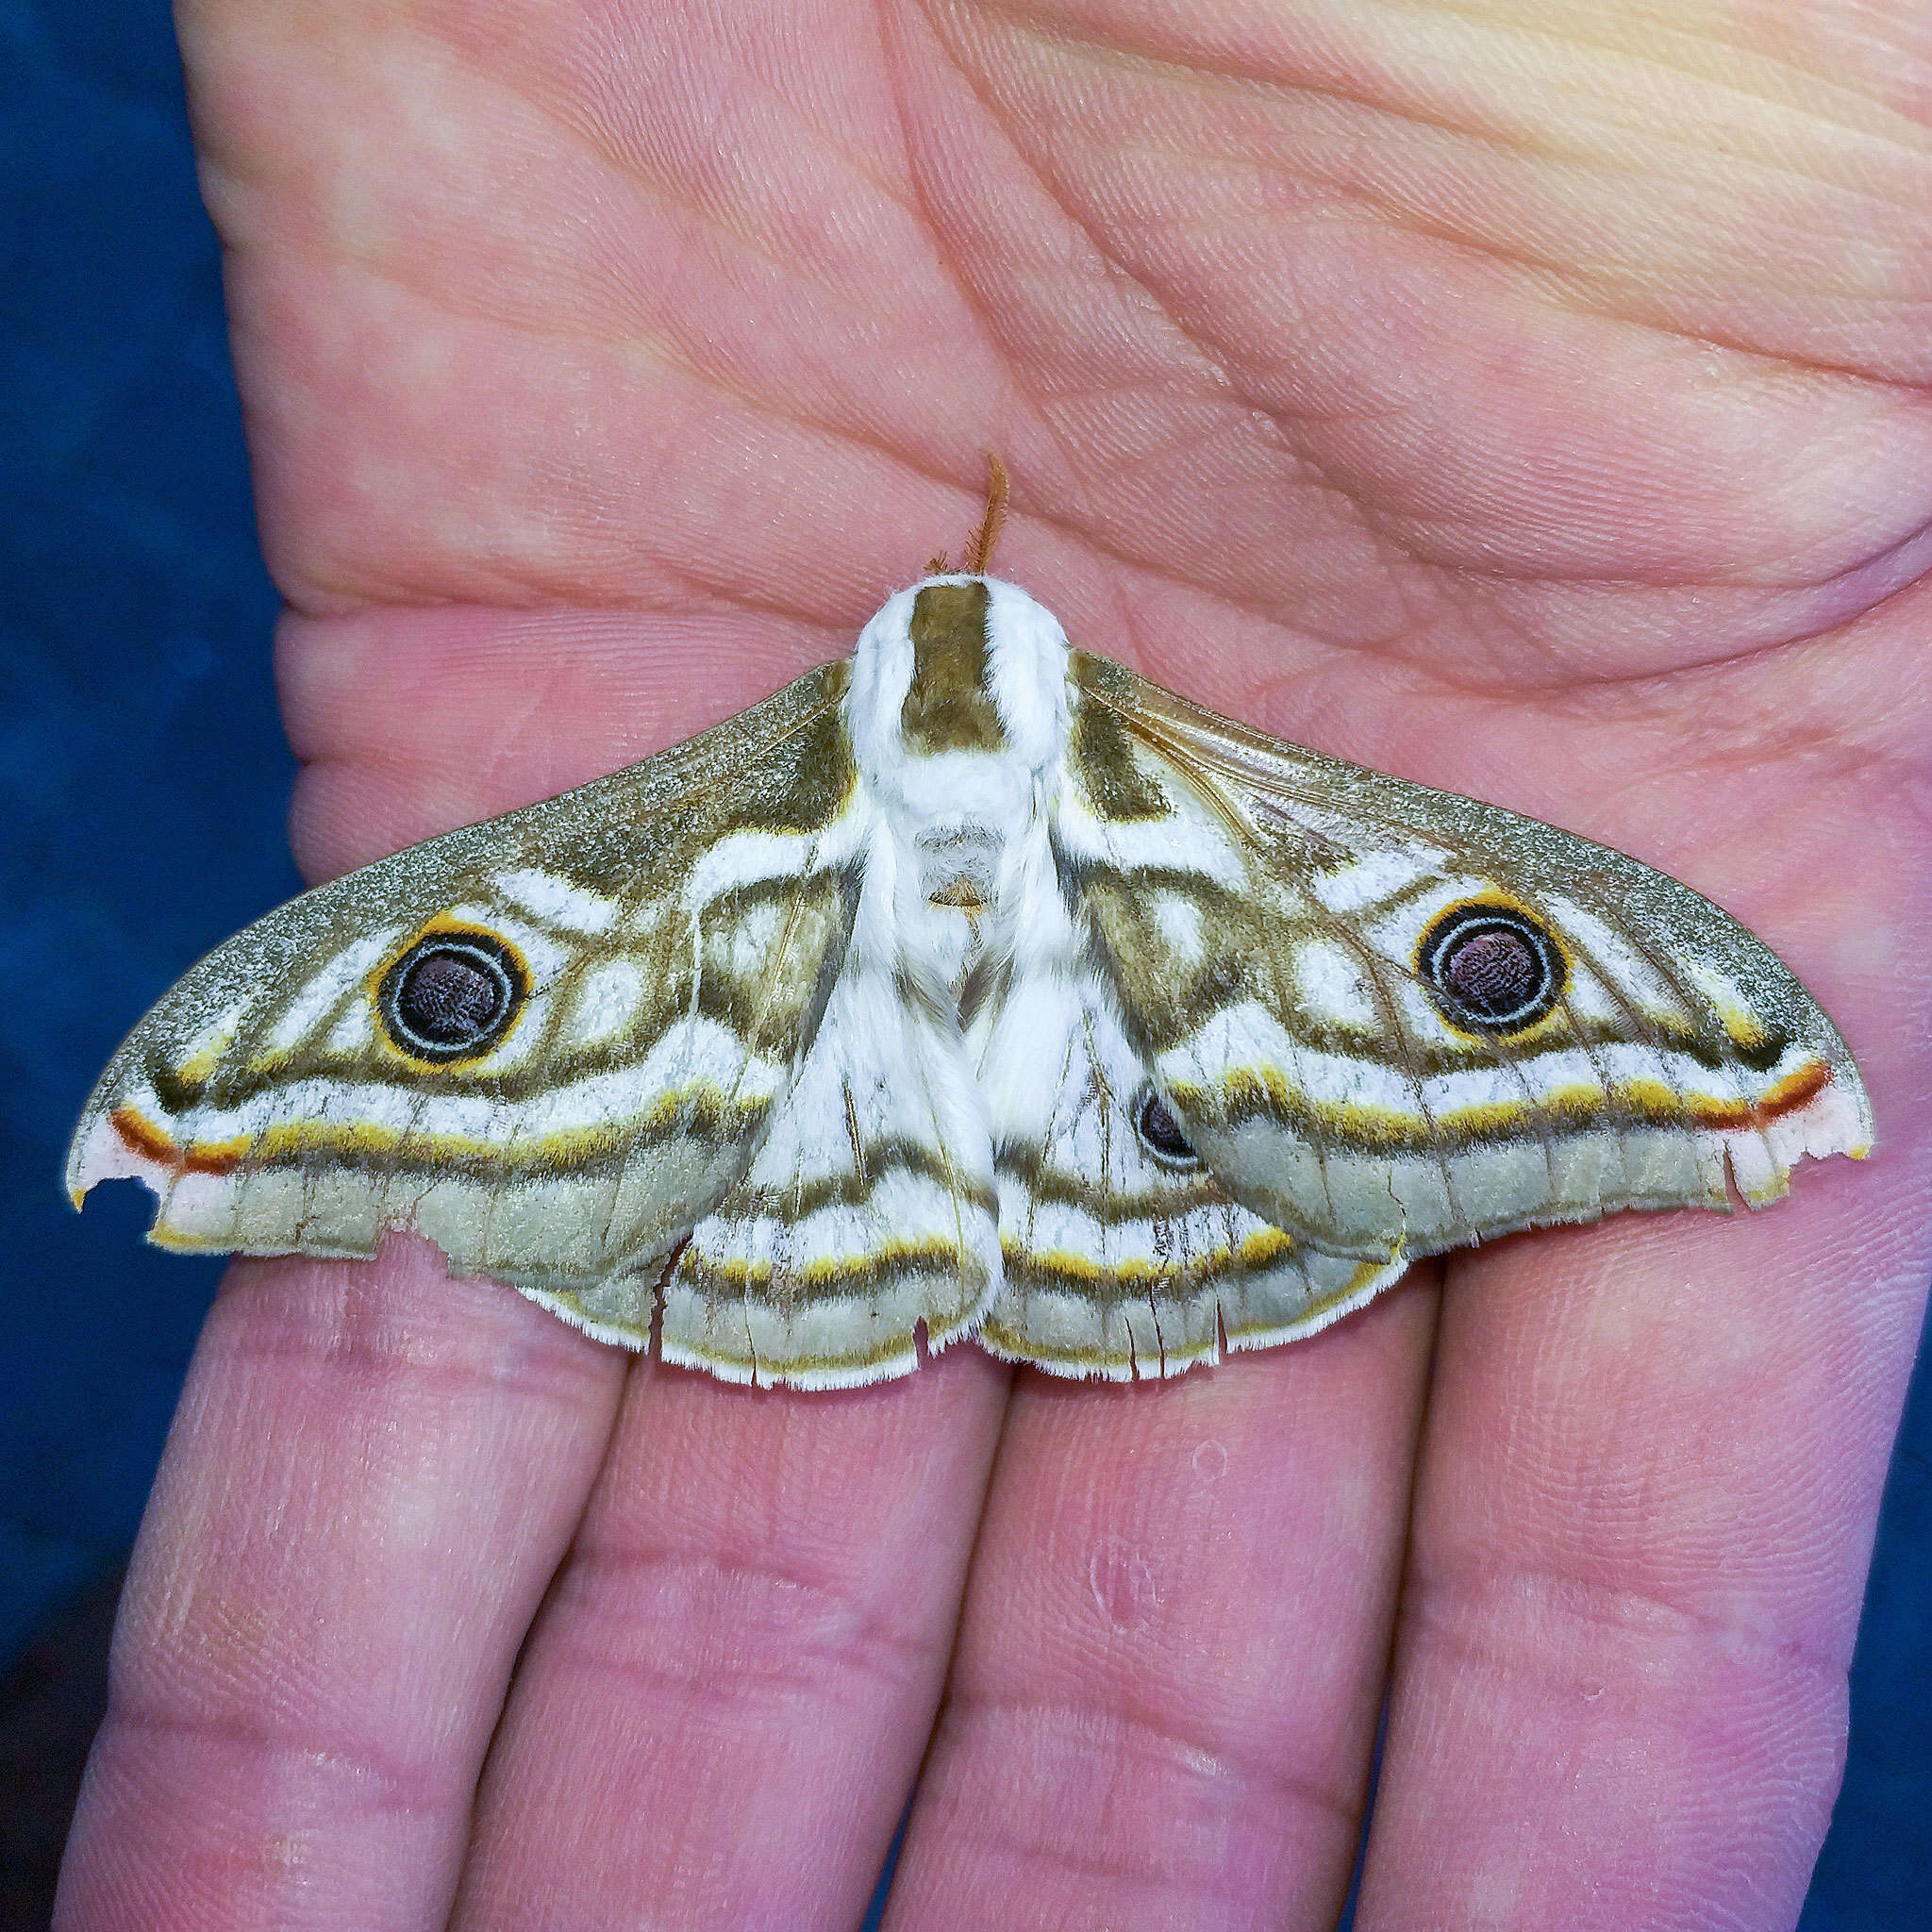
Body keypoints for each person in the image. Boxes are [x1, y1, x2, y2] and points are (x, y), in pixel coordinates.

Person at [57, 3, 1930, 1925]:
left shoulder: (717, 802)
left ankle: (820, 1182)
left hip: (828, 1120)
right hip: (1130, 1132)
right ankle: (261, 1131)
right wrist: (228, 1085)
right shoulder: (1199, 781)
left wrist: (1697, 1040)